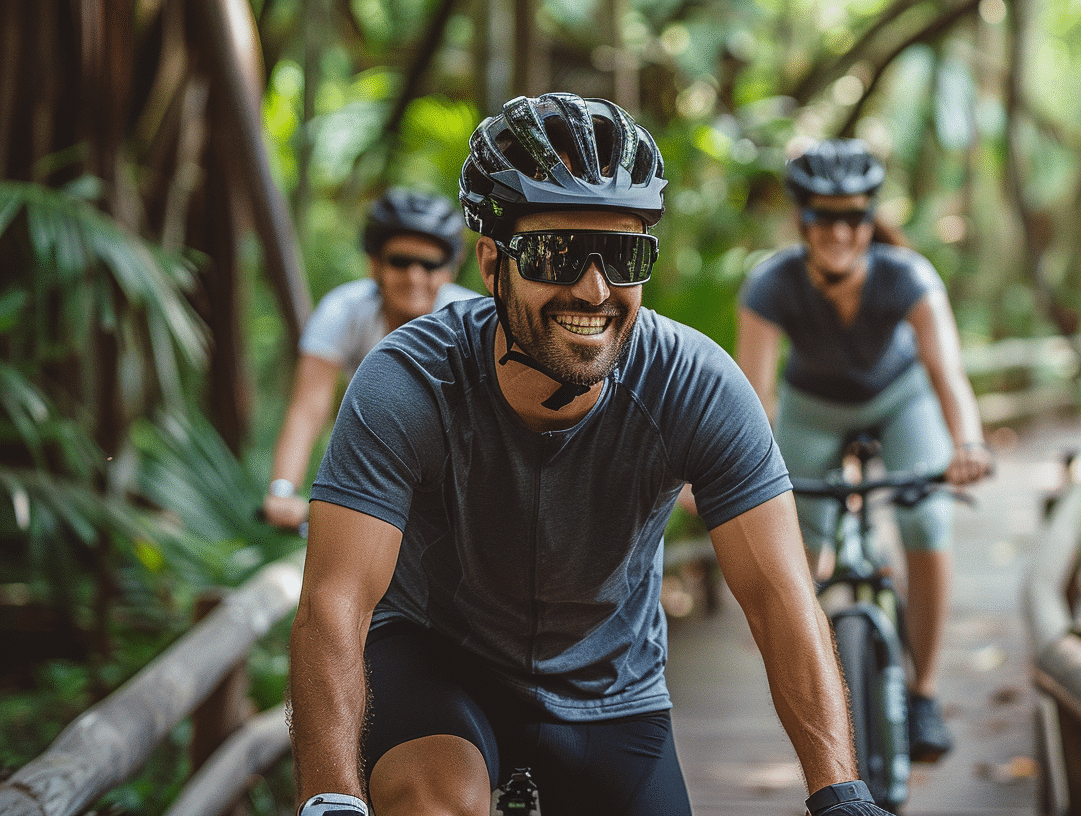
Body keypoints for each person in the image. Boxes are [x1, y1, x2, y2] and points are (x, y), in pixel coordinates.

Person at [287, 93, 894, 816]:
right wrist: (329, 798)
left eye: (624, 255)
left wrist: (841, 792)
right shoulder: (408, 381)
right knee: (431, 804)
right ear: (492, 263)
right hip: (438, 659)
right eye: (556, 253)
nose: (594, 288)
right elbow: (335, 602)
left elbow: (780, 597)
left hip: (613, 688)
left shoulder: (693, 384)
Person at [735, 137, 994, 764]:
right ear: (802, 219)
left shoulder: (908, 277)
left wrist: (968, 442)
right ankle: (824, 687)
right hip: (812, 411)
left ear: (871, 218)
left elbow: (946, 372)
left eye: (853, 215)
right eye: (824, 215)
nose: (839, 230)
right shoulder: (769, 285)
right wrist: (723, 470)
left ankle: (923, 692)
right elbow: (753, 395)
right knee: (800, 548)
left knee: (926, 521)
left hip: (899, 401)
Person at [262, 189, 476, 530]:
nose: (415, 276)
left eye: (431, 264)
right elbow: (308, 407)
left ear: (450, 268)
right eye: (400, 261)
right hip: (372, 476)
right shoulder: (344, 310)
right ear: (374, 263)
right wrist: (283, 490)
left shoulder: (472, 323)